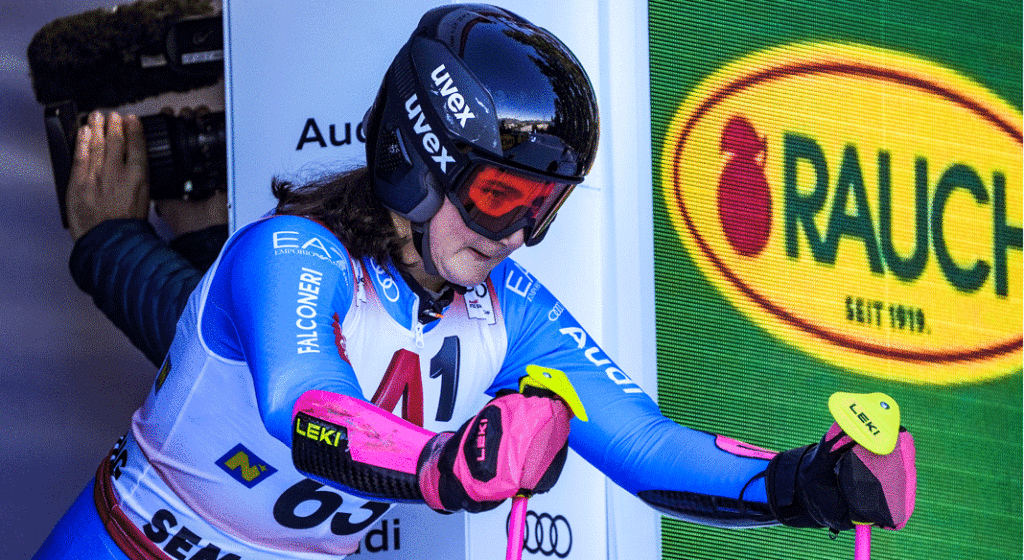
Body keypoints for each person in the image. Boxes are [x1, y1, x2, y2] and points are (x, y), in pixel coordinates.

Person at [33, 5, 916, 560]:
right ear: (414, 158)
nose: (519, 235)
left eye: (543, 207)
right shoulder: (293, 255)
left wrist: (807, 484)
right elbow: (304, 409)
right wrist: (444, 463)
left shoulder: (509, 310)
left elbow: (646, 449)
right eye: (499, 197)